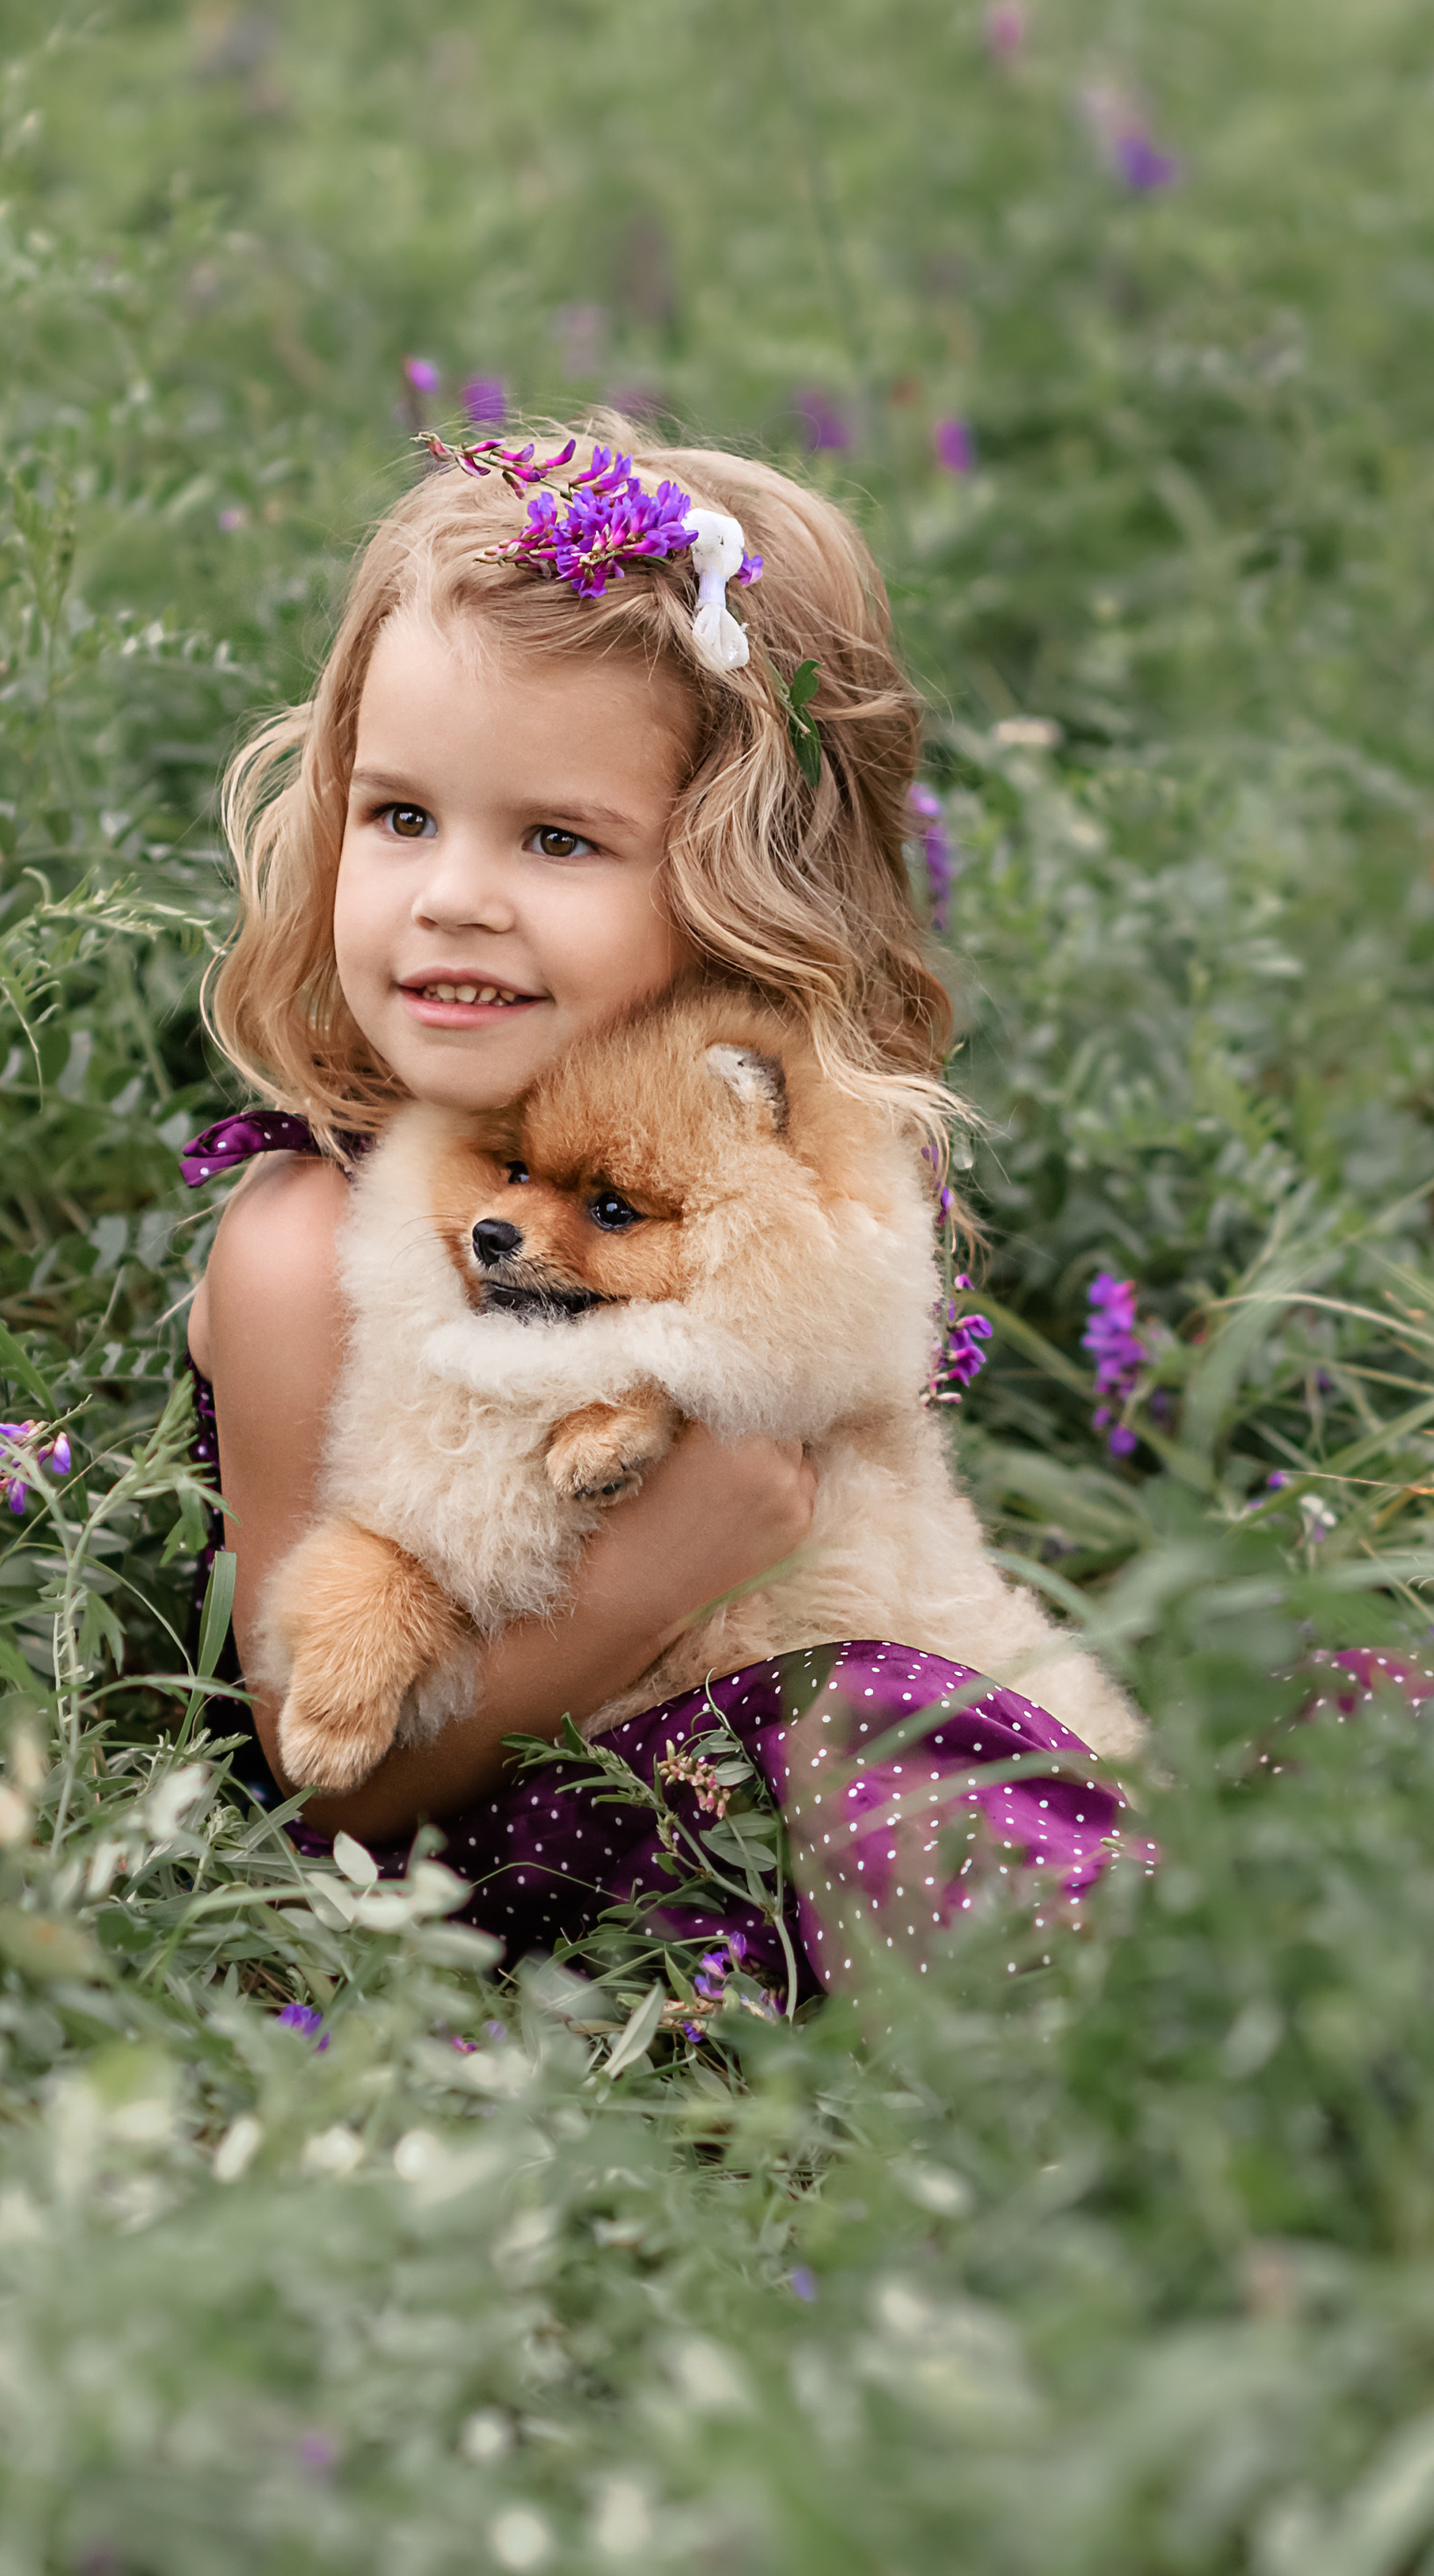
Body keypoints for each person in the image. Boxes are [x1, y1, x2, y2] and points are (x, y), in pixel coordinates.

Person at [181, 421, 1124, 2002]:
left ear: (728, 894)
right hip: (564, 1884)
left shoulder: (747, 1169)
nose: (448, 895)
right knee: (863, 1730)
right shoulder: (301, 1248)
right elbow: (330, 1780)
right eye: (399, 815)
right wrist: (665, 1565)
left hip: (825, 1775)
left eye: (554, 839)